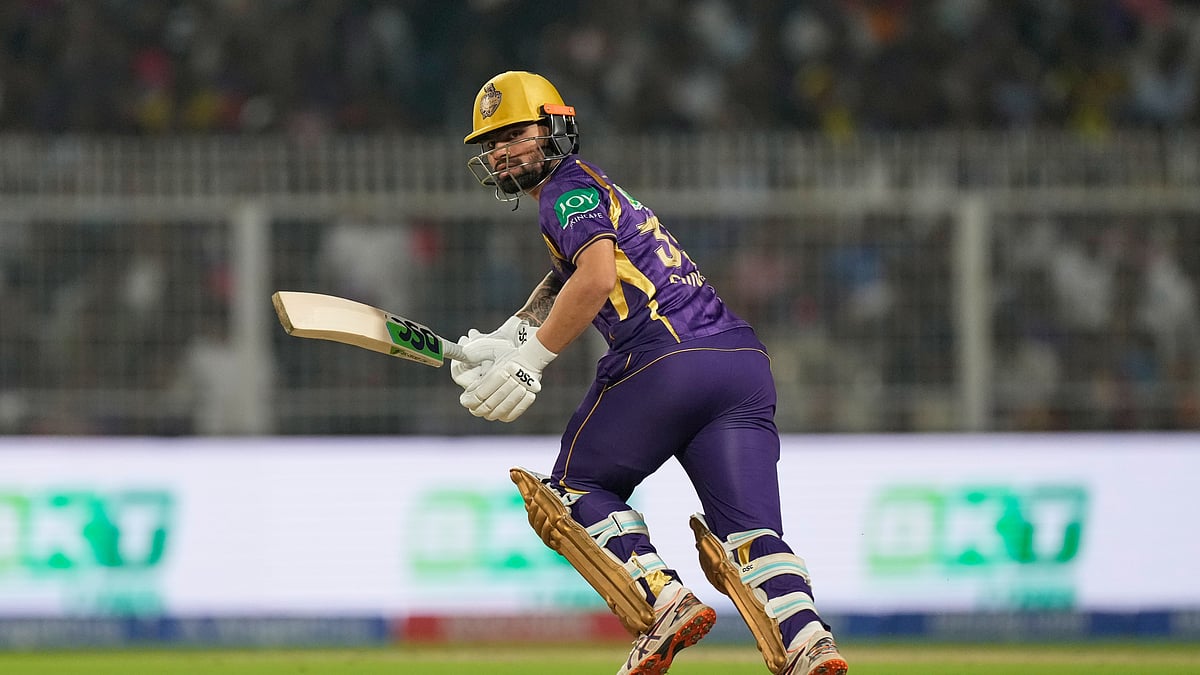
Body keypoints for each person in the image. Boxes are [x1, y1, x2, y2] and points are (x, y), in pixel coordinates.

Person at [450, 71, 848, 675]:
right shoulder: (596, 188)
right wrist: (513, 333)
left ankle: (663, 599)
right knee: (752, 536)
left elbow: (595, 279)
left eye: (515, 133)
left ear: (555, 128)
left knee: (570, 491)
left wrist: (532, 360)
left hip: (664, 359)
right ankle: (808, 640)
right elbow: (573, 274)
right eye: (492, 142)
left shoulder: (565, 190)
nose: (501, 151)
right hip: (739, 365)